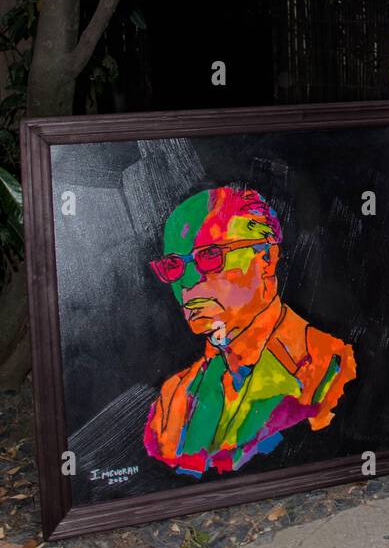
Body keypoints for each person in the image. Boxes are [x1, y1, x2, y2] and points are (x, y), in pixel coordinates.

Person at [144, 186, 356, 476]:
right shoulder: (172, 400)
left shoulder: (328, 365)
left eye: (210, 255)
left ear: (266, 259)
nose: (188, 281)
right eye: (173, 266)